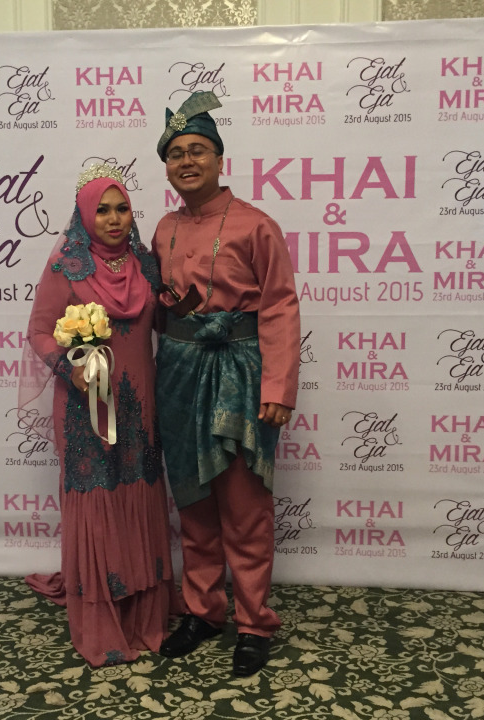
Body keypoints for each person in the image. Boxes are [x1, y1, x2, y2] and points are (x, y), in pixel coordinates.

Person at [151, 91, 300, 677]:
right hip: (178, 374)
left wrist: (278, 388)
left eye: (198, 150)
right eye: (176, 153)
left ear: (219, 158)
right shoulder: (163, 228)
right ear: (166, 166)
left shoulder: (256, 224)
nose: (187, 161)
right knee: (192, 503)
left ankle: (254, 622)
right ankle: (203, 612)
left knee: (244, 506)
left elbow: (280, 307)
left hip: (239, 374)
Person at [23, 164, 178, 667]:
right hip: (86, 411)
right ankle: (102, 619)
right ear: (85, 216)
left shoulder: (147, 265)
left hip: (141, 407)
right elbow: (40, 331)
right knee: (97, 501)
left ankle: (144, 613)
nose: (114, 219)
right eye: (103, 210)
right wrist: (72, 369)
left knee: (139, 497)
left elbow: (167, 323)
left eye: (122, 209)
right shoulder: (66, 266)